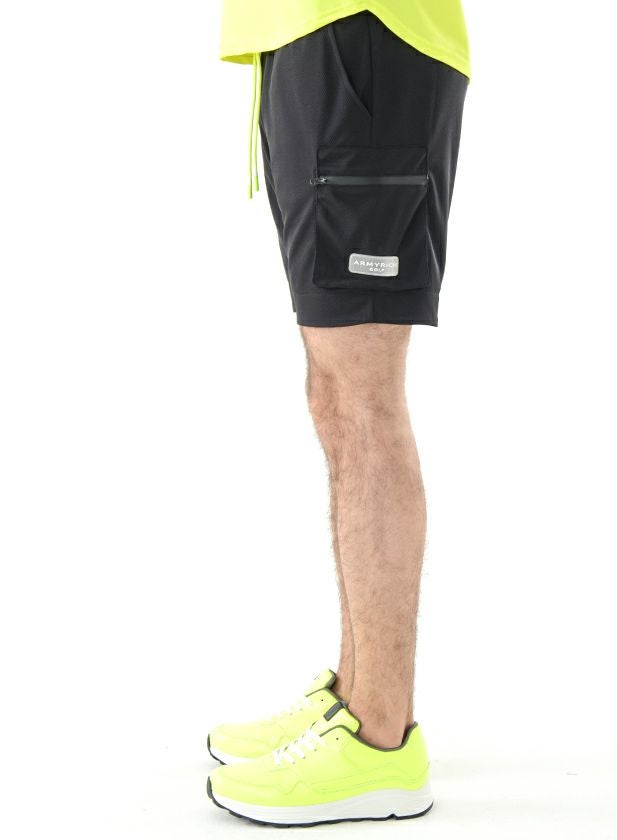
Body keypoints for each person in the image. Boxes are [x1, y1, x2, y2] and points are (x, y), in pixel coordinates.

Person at [206, 1, 470, 827]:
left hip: (367, 38)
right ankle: (354, 701)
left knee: (362, 397)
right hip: (302, 41)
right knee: (333, 392)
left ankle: (381, 742)